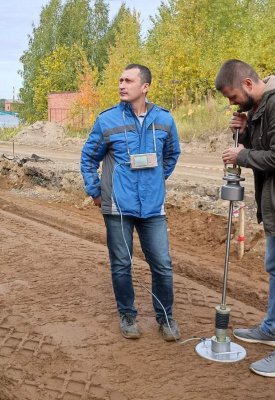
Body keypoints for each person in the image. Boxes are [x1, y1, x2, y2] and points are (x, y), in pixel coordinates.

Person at [215, 60, 275, 377]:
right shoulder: (263, 107)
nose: (231, 103)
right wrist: (246, 133)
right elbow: (265, 148)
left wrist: (240, 155)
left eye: (232, 96)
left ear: (247, 83)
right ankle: (273, 328)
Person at [80, 64, 181, 341]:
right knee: (121, 264)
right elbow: (88, 158)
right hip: (117, 207)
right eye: (120, 80)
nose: (122, 85)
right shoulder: (107, 120)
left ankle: (166, 317)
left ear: (145, 87)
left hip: (153, 208)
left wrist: (157, 182)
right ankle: (127, 315)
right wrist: (96, 191)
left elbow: (171, 155)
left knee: (162, 263)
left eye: (128, 80)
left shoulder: (164, 120)